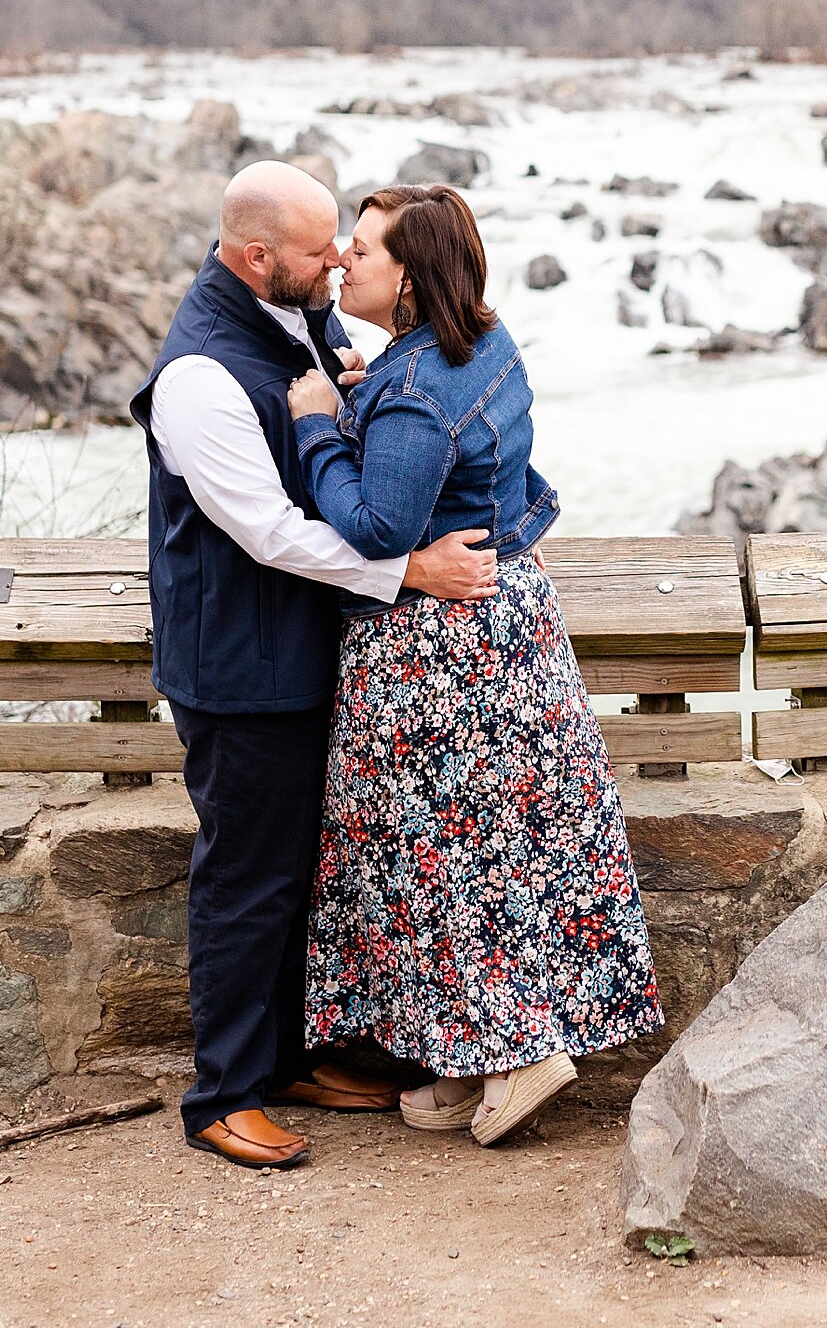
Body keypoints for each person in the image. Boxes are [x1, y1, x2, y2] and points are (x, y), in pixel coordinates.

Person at [131, 161, 500, 1172]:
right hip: (237, 666)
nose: (337, 259)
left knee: (301, 872)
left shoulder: (298, 316)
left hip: (297, 650)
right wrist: (408, 569)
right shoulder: (200, 377)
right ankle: (222, 1096)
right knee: (247, 878)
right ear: (258, 258)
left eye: (343, 240)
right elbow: (269, 533)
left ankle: (291, 1060)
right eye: (316, 248)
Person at [287, 183, 662, 1146]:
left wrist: (322, 424)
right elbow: (506, 473)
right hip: (511, 630)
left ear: (409, 280)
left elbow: (375, 524)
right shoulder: (482, 343)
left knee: (441, 859)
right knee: (509, 852)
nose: (341, 260)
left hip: (438, 658)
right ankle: (472, 1055)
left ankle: (519, 1052)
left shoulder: (412, 392)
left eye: (362, 252)